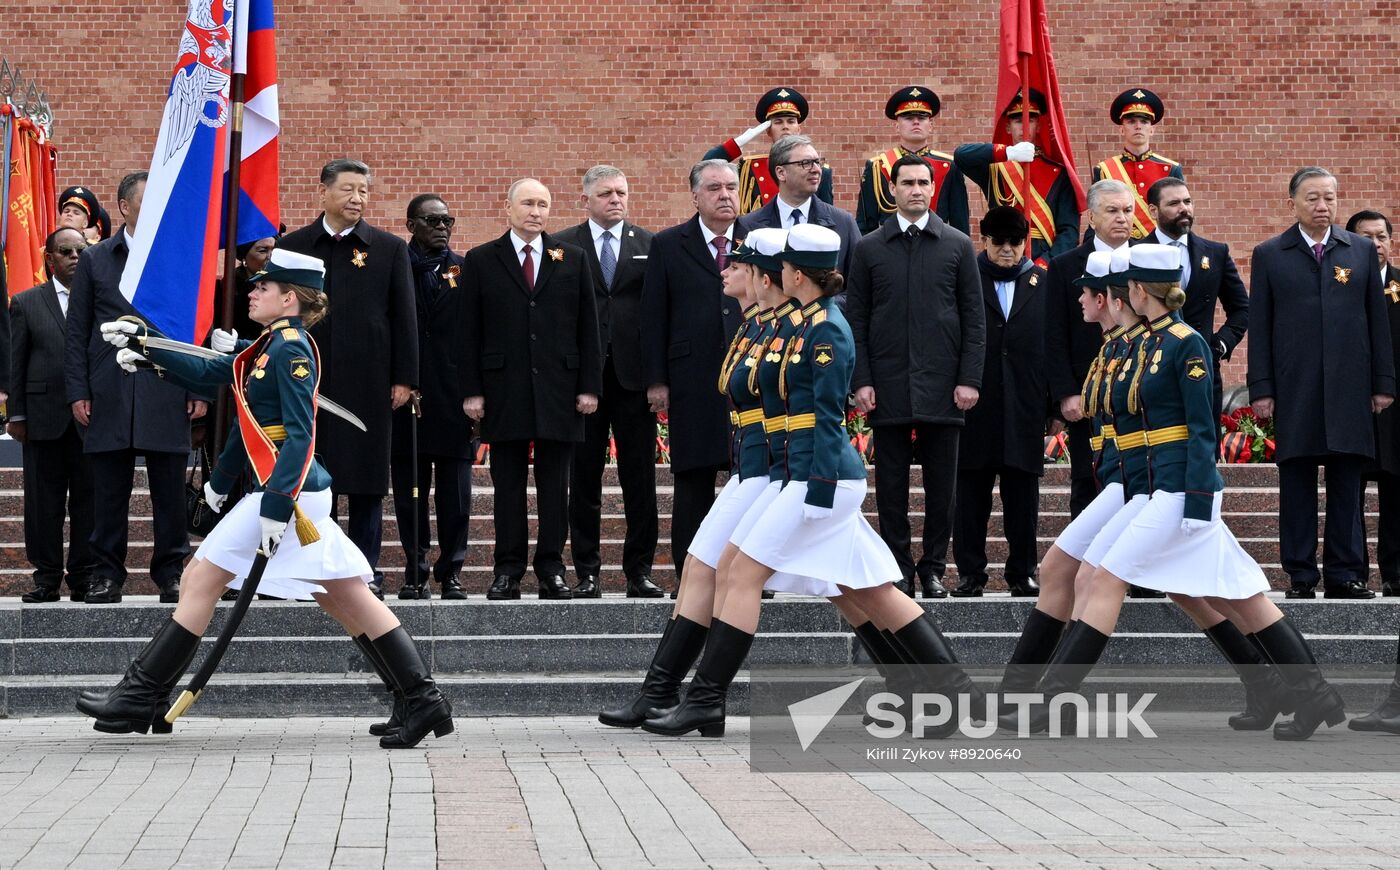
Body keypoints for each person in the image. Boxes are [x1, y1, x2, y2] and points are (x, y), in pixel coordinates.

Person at [80, 249, 453, 748]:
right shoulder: (270, 345)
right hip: (289, 491)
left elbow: (299, 437)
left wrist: (277, 507)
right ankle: (420, 699)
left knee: (199, 577)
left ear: (289, 298)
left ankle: (141, 695)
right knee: (344, 597)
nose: (252, 292)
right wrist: (149, 352)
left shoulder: (291, 349)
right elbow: (219, 376)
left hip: (286, 494)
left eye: (263, 287)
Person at [643, 224, 987, 739]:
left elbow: (826, 418)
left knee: (741, 573)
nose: (773, 275)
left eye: (780, 267)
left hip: (820, 475)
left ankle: (706, 701)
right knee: (862, 590)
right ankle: (951, 697)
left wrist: (814, 485)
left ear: (796, 273)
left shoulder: (826, 328)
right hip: (796, 473)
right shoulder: (800, 324)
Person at [1004, 244, 1347, 742]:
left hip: (1181, 487)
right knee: (1234, 597)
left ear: (1139, 290)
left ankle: (1052, 702)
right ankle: (1303, 692)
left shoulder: (1188, 343)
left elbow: (1201, 427)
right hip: (1151, 487)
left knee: (1108, 578)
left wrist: (1198, 498)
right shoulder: (1143, 344)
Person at [598, 228, 791, 728]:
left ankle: (947, 690)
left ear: (761, 277)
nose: (723, 270)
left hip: (788, 474)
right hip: (755, 471)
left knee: (865, 594)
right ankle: (664, 692)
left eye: (736, 265)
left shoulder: (797, 329)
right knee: (701, 566)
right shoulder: (758, 325)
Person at [1248, 167, 1395, 600]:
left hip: (1350, 387)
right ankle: (1300, 574)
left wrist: (1382, 382)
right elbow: (1261, 324)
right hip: (1296, 388)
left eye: (1329, 197)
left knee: (1347, 483)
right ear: (1291, 202)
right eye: (1312, 198)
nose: (1322, 206)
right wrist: (1261, 387)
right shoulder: (1271, 253)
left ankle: (1345, 574)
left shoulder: (1361, 251)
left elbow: (1376, 323)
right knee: (1296, 482)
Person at [846, 154, 985, 598]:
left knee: (942, 487)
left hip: (944, 385)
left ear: (933, 188)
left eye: (924, 182)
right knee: (890, 487)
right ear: (892, 190)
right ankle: (898, 567)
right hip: (887, 384)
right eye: (907, 183)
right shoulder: (869, 247)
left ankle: (933, 569)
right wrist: (861, 379)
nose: (916, 190)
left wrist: (970, 379)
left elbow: (973, 319)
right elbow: (858, 321)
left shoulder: (958, 244)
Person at [63, 171, 205, 604]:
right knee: (107, 494)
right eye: (148, 202)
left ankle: (170, 574)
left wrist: (200, 388)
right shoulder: (96, 259)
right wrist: (77, 390)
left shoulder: (179, 256)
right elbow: (77, 330)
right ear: (124, 207)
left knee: (168, 493)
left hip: (167, 386)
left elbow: (196, 328)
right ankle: (107, 575)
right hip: (109, 389)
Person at [279, 159, 418, 598]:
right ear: (322, 192)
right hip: (306, 382)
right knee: (313, 482)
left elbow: (404, 319)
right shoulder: (295, 246)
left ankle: (362, 571)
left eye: (363, 191)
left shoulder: (388, 248)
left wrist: (404, 378)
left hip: (368, 383)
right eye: (348, 190)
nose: (357, 199)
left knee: (366, 483)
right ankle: (314, 569)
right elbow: (278, 310)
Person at [461, 179, 602, 601]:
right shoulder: (483, 259)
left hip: (561, 388)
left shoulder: (572, 258)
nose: (535, 211)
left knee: (556, 487)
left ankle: (551, 569)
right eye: (527, 203)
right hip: (504, 388)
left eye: (543, 204)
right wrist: (472, 390)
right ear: (508, 207)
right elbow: (468, 333)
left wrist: (589, 387)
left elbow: (588, 328)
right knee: (507, 486)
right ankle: (507, 571)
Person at [554, 166, 662, 598]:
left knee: (640, 480)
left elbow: (658, 316)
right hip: (585, 382)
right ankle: (587, 571)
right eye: (605, 193)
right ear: (586, 200)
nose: (615, 199)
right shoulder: (562, 244)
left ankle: (639, 572)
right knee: (584, 480)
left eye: (621, 192)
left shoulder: (650, 244)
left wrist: (658, 379)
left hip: (635, 380)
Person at [641, 160, 747, 593]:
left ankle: (750, 574)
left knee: (750, 482)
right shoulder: (669, 244)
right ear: (695, 197)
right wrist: (657, 379)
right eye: (714, 188)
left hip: (749, 379)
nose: (725, 195)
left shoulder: (756, 240)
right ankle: (691, 575)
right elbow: (653, 315)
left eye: (730, 187)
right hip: (692, 381)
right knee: (693, 484)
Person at [951, 207, 1047, 597]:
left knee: (1023, 500)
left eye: (1016, 242)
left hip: (1024, 404)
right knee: (970, 498)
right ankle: (971, 574)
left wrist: (1054, 407)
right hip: (975, 404)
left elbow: (1051, 346)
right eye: (999, 242)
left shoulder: (1043, 281)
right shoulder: (965, 279)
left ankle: (1022, 572)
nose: (1008, 250)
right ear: (984, 241)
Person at [390, 194, 471, 600]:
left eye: (447, 220)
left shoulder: (464, 268)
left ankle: (451, 570)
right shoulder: (393, 265)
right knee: (410, 491)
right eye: (432, 220)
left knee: (456, 493)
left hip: (453, 396)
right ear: (411, 226)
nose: (442, 227)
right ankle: (414, 569)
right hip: (408, 395)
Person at [9, 228, 96, 602]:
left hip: (90, 420)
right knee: (43, 505)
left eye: (82, 250)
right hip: (42, 419)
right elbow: (16, 362)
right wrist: (17, 414)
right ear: (50, 259)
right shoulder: (27, 302)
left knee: (88, 502)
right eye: (66, 251)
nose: (75, 257)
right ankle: (45, 578)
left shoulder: (100, 301)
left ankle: (83, 576)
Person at [1044, 179, 1135, 519]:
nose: (1122, 218)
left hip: (1139, 390)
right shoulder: (1066, 266)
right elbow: (1053, 334)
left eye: (1127, 210)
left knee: (1135, 478)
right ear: (1092, 217)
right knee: (1088, 478)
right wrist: (1065, 393)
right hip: (1086, 395)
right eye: (1112, 211)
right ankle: (1082, 564)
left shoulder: (1149, 259)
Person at [1145, 178, 1248, 426]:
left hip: (1201, 367)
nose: (1184, 208)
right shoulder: (1136, 252)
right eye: (1174, 203)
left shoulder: (1215, 252)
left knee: (1204, 447)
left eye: (1187, 201)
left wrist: (1219, 345)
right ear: (1153, 210)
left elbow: (1242, 309)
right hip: (1150, 368)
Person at [954, 88, 1081, 264]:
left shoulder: (1058, 173)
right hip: (1002, 253)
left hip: (1043, 258)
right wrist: (1008, 153)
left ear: (1039, 125)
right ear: (1008, 126)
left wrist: (1044, 264)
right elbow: (961, 156)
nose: (1025, 126)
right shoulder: (996, 169)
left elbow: (1069, 231)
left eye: (1030, 119)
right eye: (1018, 121)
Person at [1350, 210, 1400, 596]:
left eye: (1381, 236)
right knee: (1349, 492)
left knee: (1395, 493)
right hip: (1351, 406)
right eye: (1366, 237)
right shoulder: (1339, 283)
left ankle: (1394, 572)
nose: (1376, 245)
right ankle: (1352, 572)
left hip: (1396, 411)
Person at [737, 135, 860, 282]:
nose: (816, 169)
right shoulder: (748, 225)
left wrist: (820, 303)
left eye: (817, 162)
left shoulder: (843, 223)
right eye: (805, 163)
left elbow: (859, 289)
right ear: (781, 173)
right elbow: (741, 286)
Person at [855, 86, 969, 235]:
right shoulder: (878, 167)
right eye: (908, 118)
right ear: (897, 126)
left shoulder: (949, 166)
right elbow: (865, 223)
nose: (916, 122)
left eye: (921, 118)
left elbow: (959, 222)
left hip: (937, 246)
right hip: (891, 246)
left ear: (931, 125)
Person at [703, 87, 833, 215]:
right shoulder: (751, 168)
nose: (785, 127)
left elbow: (827, 216)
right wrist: (739, 142)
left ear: (799, 129)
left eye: (791, 121)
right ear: (768, 130)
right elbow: (706, 165)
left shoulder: (818, 169)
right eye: (778, 122)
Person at [1090, 88, 1184, 240]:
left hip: (1159, 248)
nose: (1138, 126)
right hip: (1118, 245)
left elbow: (1179, 213)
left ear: (1152, 130)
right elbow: (1097, 215)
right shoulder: (1104, 170)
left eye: (1144, 121)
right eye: (1131, 121)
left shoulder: (1171, 169)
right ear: (1122, 129)